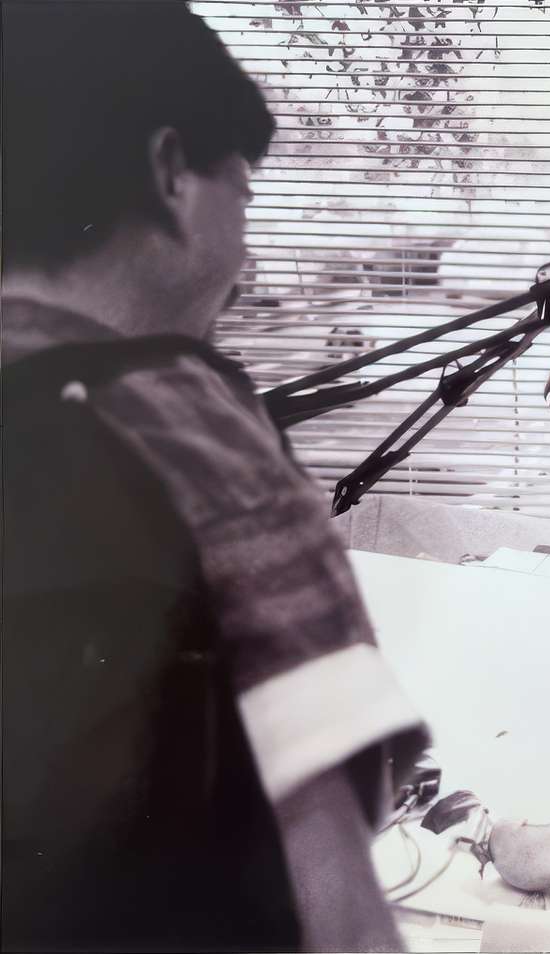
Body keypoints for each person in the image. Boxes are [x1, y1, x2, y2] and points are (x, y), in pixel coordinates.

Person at [1, 3, 428, 950]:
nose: (247, 249)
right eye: (242, 191)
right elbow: (329, 867)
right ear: (168, 173)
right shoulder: (184, 418)